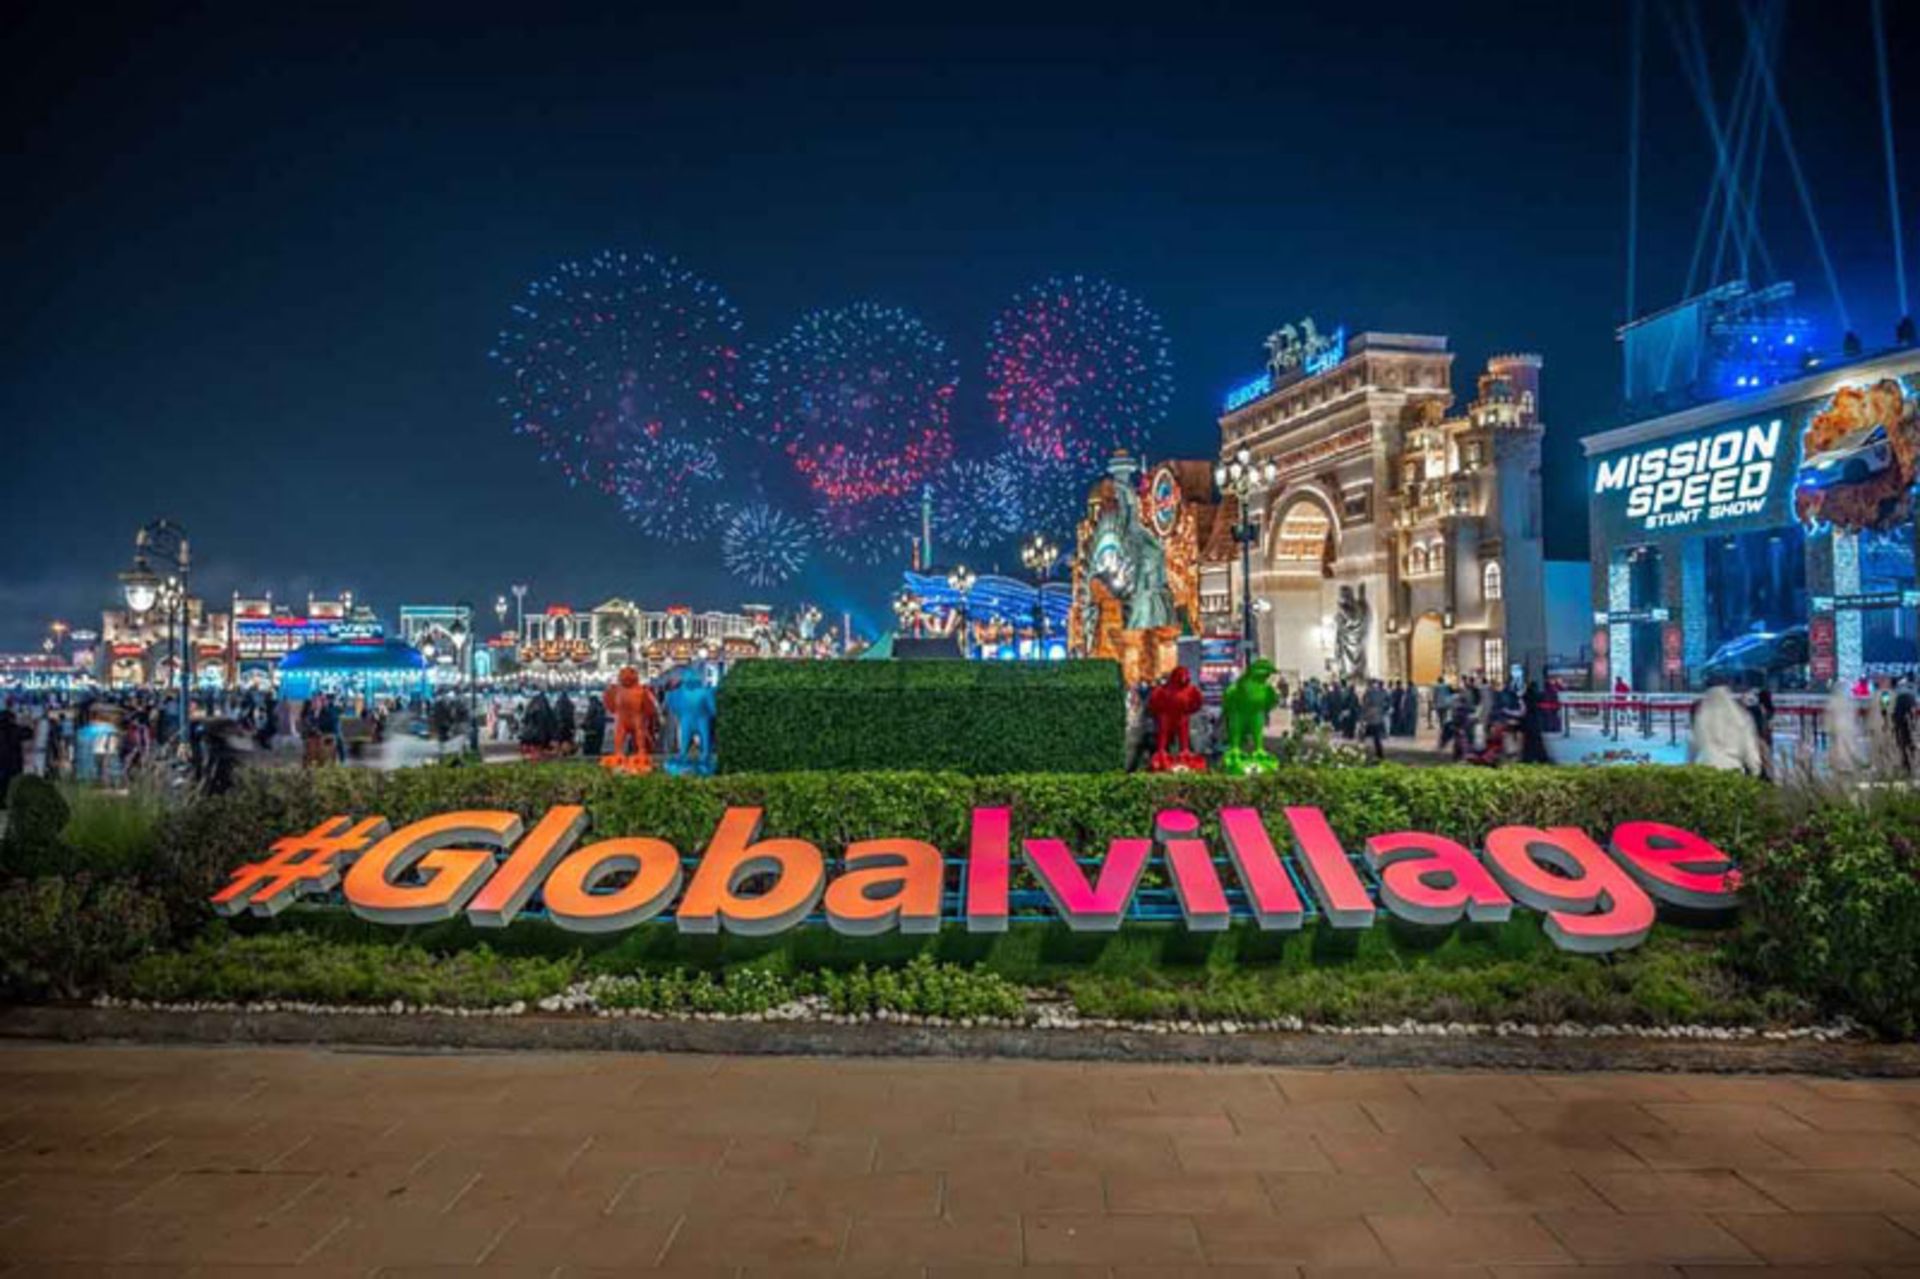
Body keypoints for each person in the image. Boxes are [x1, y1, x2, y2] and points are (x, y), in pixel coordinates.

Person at [1688, 685, 1762, 774]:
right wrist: (1755, 768)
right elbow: (1749, 746)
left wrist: (1690, 764)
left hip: (1707, 766)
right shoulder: (1740, 719)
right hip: (1733, 766)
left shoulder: (1702, 719)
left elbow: (1693, 744)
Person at [1825, 683, 1867, 779]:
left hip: (1838, 727)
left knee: (1840, 748)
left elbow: (1829, 717)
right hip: (1850, 728)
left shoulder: (1832, 701)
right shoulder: (1851, 702)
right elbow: (1855, 716)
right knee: (1849, 747)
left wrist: (1829, 729)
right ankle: (1849, 765)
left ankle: (1841, 765)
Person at [1519, 681, 1552, 764]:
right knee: (1537, 741)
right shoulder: (1537, 696)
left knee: (1528, 742)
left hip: (1527, 721)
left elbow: (1523, 710)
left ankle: (1528, 758)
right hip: (1536, 721)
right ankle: (1541, 758)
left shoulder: (1524, 697)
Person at [1360, 679, 1388, 761]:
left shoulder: (1368, 693)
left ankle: (1365, 754)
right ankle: (1379, 754)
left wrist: (1362, 718)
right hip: (1378, 718)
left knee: (1363, 736)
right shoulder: (1380, 692)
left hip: (1370, 718)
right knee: (1376, 738)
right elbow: (1385, 703)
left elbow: (1365, 705)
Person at [1894, 676, 1917, 773]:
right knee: (1909, 743)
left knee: (1903, 743)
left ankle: (1906, 765)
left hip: (1902, 723)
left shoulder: (1899, 697)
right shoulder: (1911, 697)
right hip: (1908, 724)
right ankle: (1909, 764)